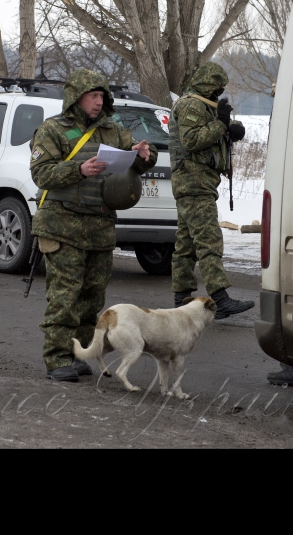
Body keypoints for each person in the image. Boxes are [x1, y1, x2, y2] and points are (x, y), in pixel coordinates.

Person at [29, 69, 158, 382]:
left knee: (91, 299)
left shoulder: (113, 131)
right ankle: (57, 358)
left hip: (100, 228)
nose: (99, 102)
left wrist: (144, 154)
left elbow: (142, 160)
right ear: (77, 97)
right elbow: (41, 173)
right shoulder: (53, 129)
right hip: (62, 225)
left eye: (102, 96)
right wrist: (79, 169)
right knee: (64, 298)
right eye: (93, 96)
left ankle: (78, 354)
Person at [169, 61, 255, 320]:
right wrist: (220, 124)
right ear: (208, 83)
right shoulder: (190, 104)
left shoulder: (203, 104)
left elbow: (214, 126)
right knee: (209, 241)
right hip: (193, 183)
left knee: (186, 245)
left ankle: (181, 299)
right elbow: (191, 140)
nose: (219, 91)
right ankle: (219, 298)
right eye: (217, 86)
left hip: (197, 183)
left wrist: (231, 127)